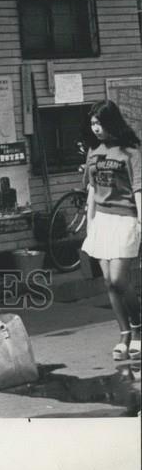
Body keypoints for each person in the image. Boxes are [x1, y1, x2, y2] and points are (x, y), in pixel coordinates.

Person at [81, 100, 141, 361]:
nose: (96, 128)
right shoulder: (93, 152)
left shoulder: (131, 152)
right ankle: (124, 334)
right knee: (108, 282)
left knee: (119, 279)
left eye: (100, 123)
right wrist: (90, 223)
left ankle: (138, 329)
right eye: (93, 123)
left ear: (112, 122)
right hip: (102, 220)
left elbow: (138, 188)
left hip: (126, 218)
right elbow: (92, 190)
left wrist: (141, 221)